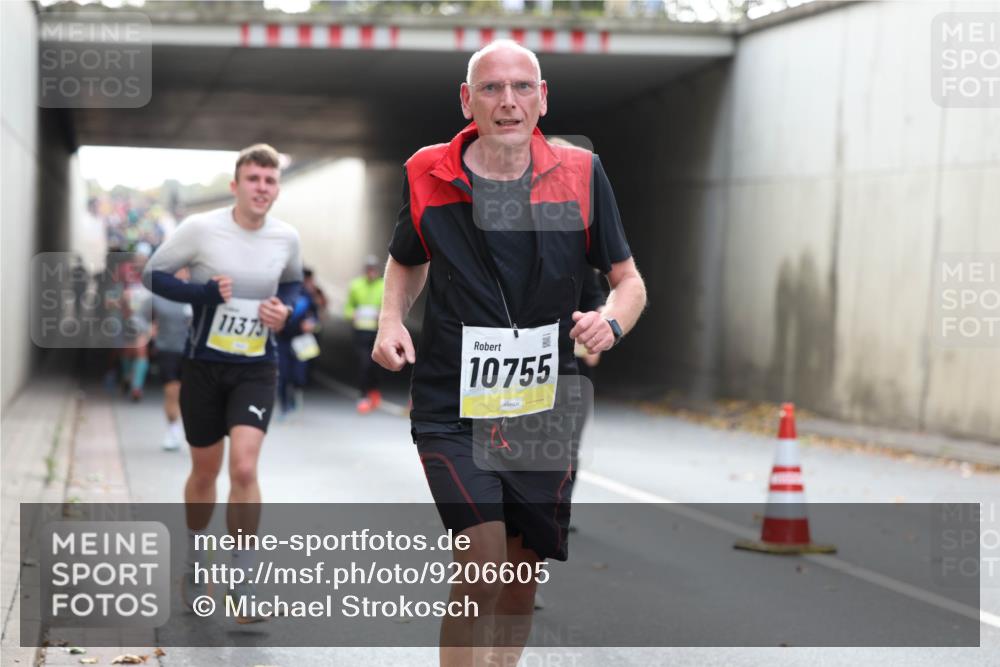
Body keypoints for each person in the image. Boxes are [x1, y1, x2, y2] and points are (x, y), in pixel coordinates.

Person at [373, 40, 647, 666]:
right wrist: (391, 319)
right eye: (492, 88)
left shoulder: (580, 174)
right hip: (451, 403)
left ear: (542, 98)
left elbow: (628, 282)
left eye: (523, 87)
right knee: (483, 563)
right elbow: (406, 258)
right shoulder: (428, 172)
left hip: (543, 407)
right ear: (467, 100)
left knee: (520, 576)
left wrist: (611, 323)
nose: (508, 101)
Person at [142, 144, 303, 622]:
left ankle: (242, 582)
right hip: (204, 365)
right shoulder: (201, 229)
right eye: (253, 179)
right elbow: (154, 274)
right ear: (236, 185)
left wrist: (285, 310)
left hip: (257, 366)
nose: (261, 188)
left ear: (277, 188)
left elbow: (292, 284)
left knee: (246, 471)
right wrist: (203, 293)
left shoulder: (286, 237)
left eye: (269, 181)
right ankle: (195, 559)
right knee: (206, 472)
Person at [152, 268, 193, 450]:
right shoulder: (159, 296)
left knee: (190, 395)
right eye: (178, 270)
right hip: (168, 349)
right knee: (172, 391)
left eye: (186, 270)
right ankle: (173, 430)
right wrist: (148, 329)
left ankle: (192, 432)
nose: (183, 274)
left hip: (192, 351)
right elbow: (140, 316)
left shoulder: (197, 293)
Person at [276, 267, 324, 417]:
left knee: (298, 375)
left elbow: (317, 320)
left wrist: (312, 324)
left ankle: (294, 398)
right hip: (283, 339)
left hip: (301, 341)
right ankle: (284, 406)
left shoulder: (309, 298)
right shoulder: (281, 294)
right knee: (283, 375)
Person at [344, 255, 385, 414]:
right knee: (364, 364)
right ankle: (363, 396)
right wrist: (352, 314)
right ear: (365, 270)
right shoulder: (355, 286)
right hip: (360, 332)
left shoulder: (384, 286)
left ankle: (374, 390)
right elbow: (347, 308)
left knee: (377, 364)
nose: (371, 273)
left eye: (374, 270)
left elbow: (390, 308)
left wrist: (381, 314)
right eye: (369, 270)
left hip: (377, 331)